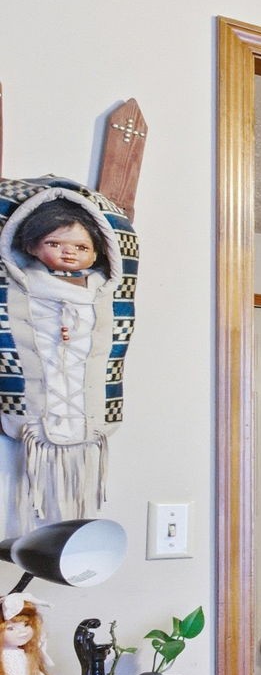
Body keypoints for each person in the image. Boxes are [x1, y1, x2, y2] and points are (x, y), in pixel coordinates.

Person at [0, 185, 125, 524]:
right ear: (30, 246)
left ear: (99, 252)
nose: (68, 253)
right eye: (54, 244)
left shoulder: (100, 291)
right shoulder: (24, 285)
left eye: (81, 247)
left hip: (88, 421)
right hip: (32, 427)